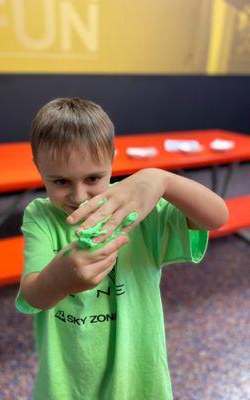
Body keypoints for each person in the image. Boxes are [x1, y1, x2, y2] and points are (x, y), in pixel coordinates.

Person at [15, 97, 228, 400]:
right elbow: (32, 297)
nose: (79, 195)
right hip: (68, 383)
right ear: (38, 167)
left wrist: (161, 178)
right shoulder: (40, 216)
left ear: (112, 160)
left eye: (93, 178)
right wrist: (61, 277)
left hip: (138, 379)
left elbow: (216, 217)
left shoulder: (138, 207)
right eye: (61, 181)